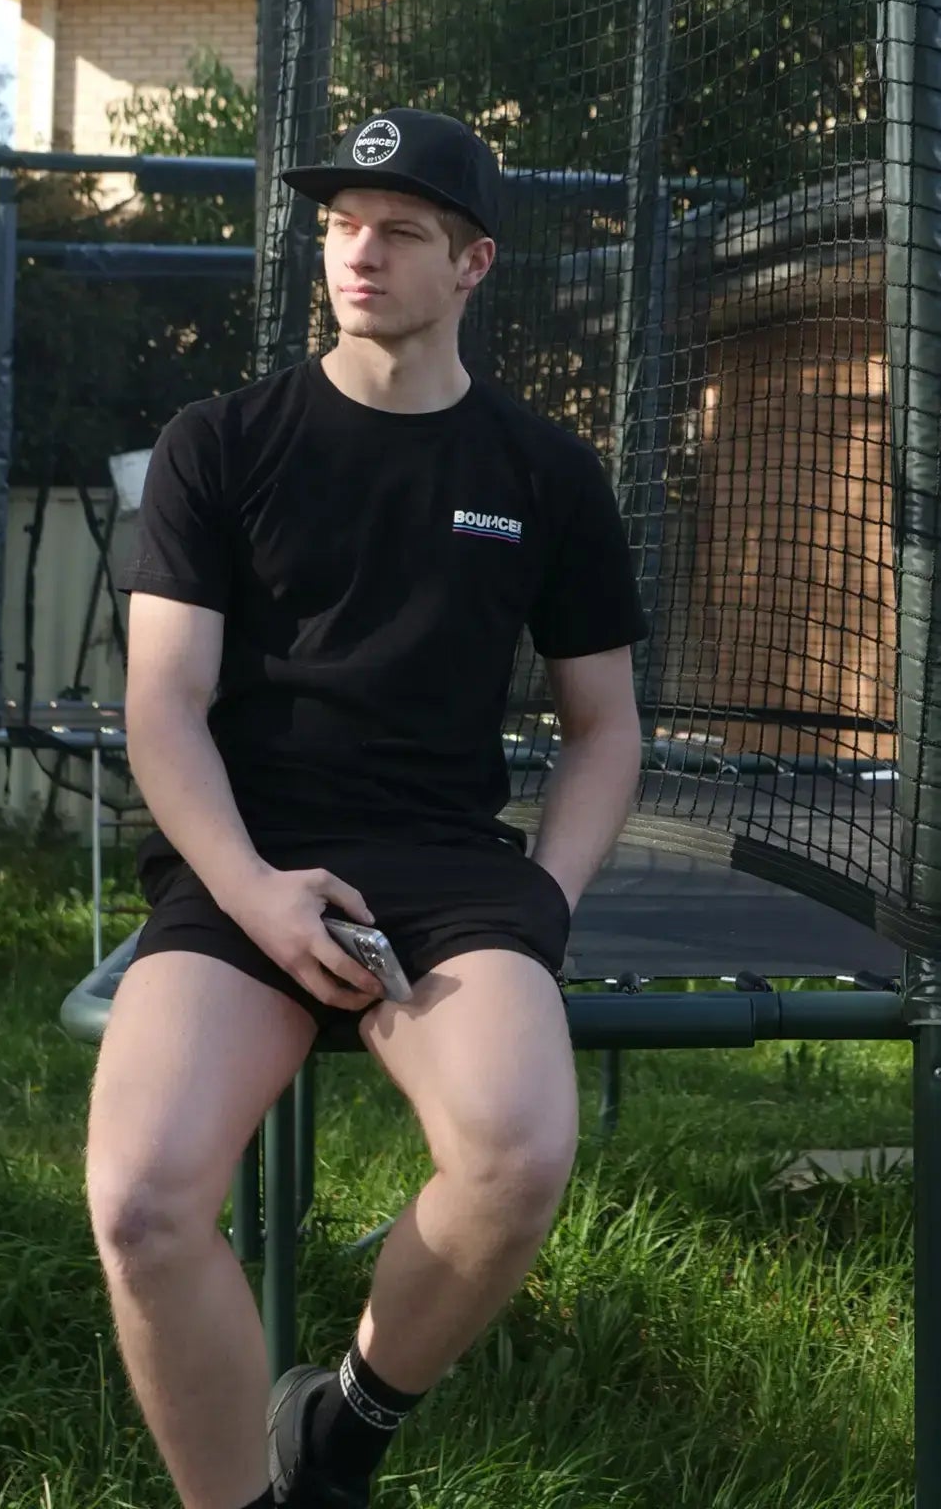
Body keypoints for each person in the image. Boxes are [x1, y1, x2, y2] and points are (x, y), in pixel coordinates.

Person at [85, 108, 648, 1509]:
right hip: (245, 861)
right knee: (143, 1203)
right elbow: (163, 707)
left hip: (452, 871)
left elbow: (604, 728)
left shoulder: (544, 470)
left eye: (399, 230)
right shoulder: (221, 440)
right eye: (341, 224)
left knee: (517, 1155)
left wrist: (545, 902)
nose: (359, 252)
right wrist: (255, 893)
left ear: (472, 263)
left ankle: (339, 1434)